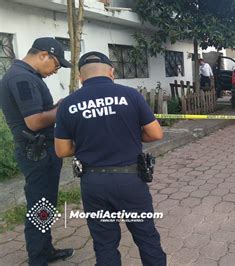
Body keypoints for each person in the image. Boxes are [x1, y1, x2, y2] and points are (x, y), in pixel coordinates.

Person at [54, 52, 167, 265]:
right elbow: (155, 134)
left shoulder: (68, 104)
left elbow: (61, 150)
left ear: (80, 77)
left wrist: (88, 144)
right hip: (131, 181)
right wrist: (131, 136)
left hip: (94, 184)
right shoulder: (130, 95)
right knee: (146, 237)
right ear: (111, 72)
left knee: (105, 243)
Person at [0, 37, 74, 265]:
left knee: (45, 204)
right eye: (56, 64)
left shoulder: (25, 75)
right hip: (37, 153)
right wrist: (63, 109)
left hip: (40, 150)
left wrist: (54, 106)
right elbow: (33, 121)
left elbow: (39, 113)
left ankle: (44, 249)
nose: (55, 70)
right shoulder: (22, 77)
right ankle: (38, 258)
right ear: (44, 55)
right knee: (40, 205)